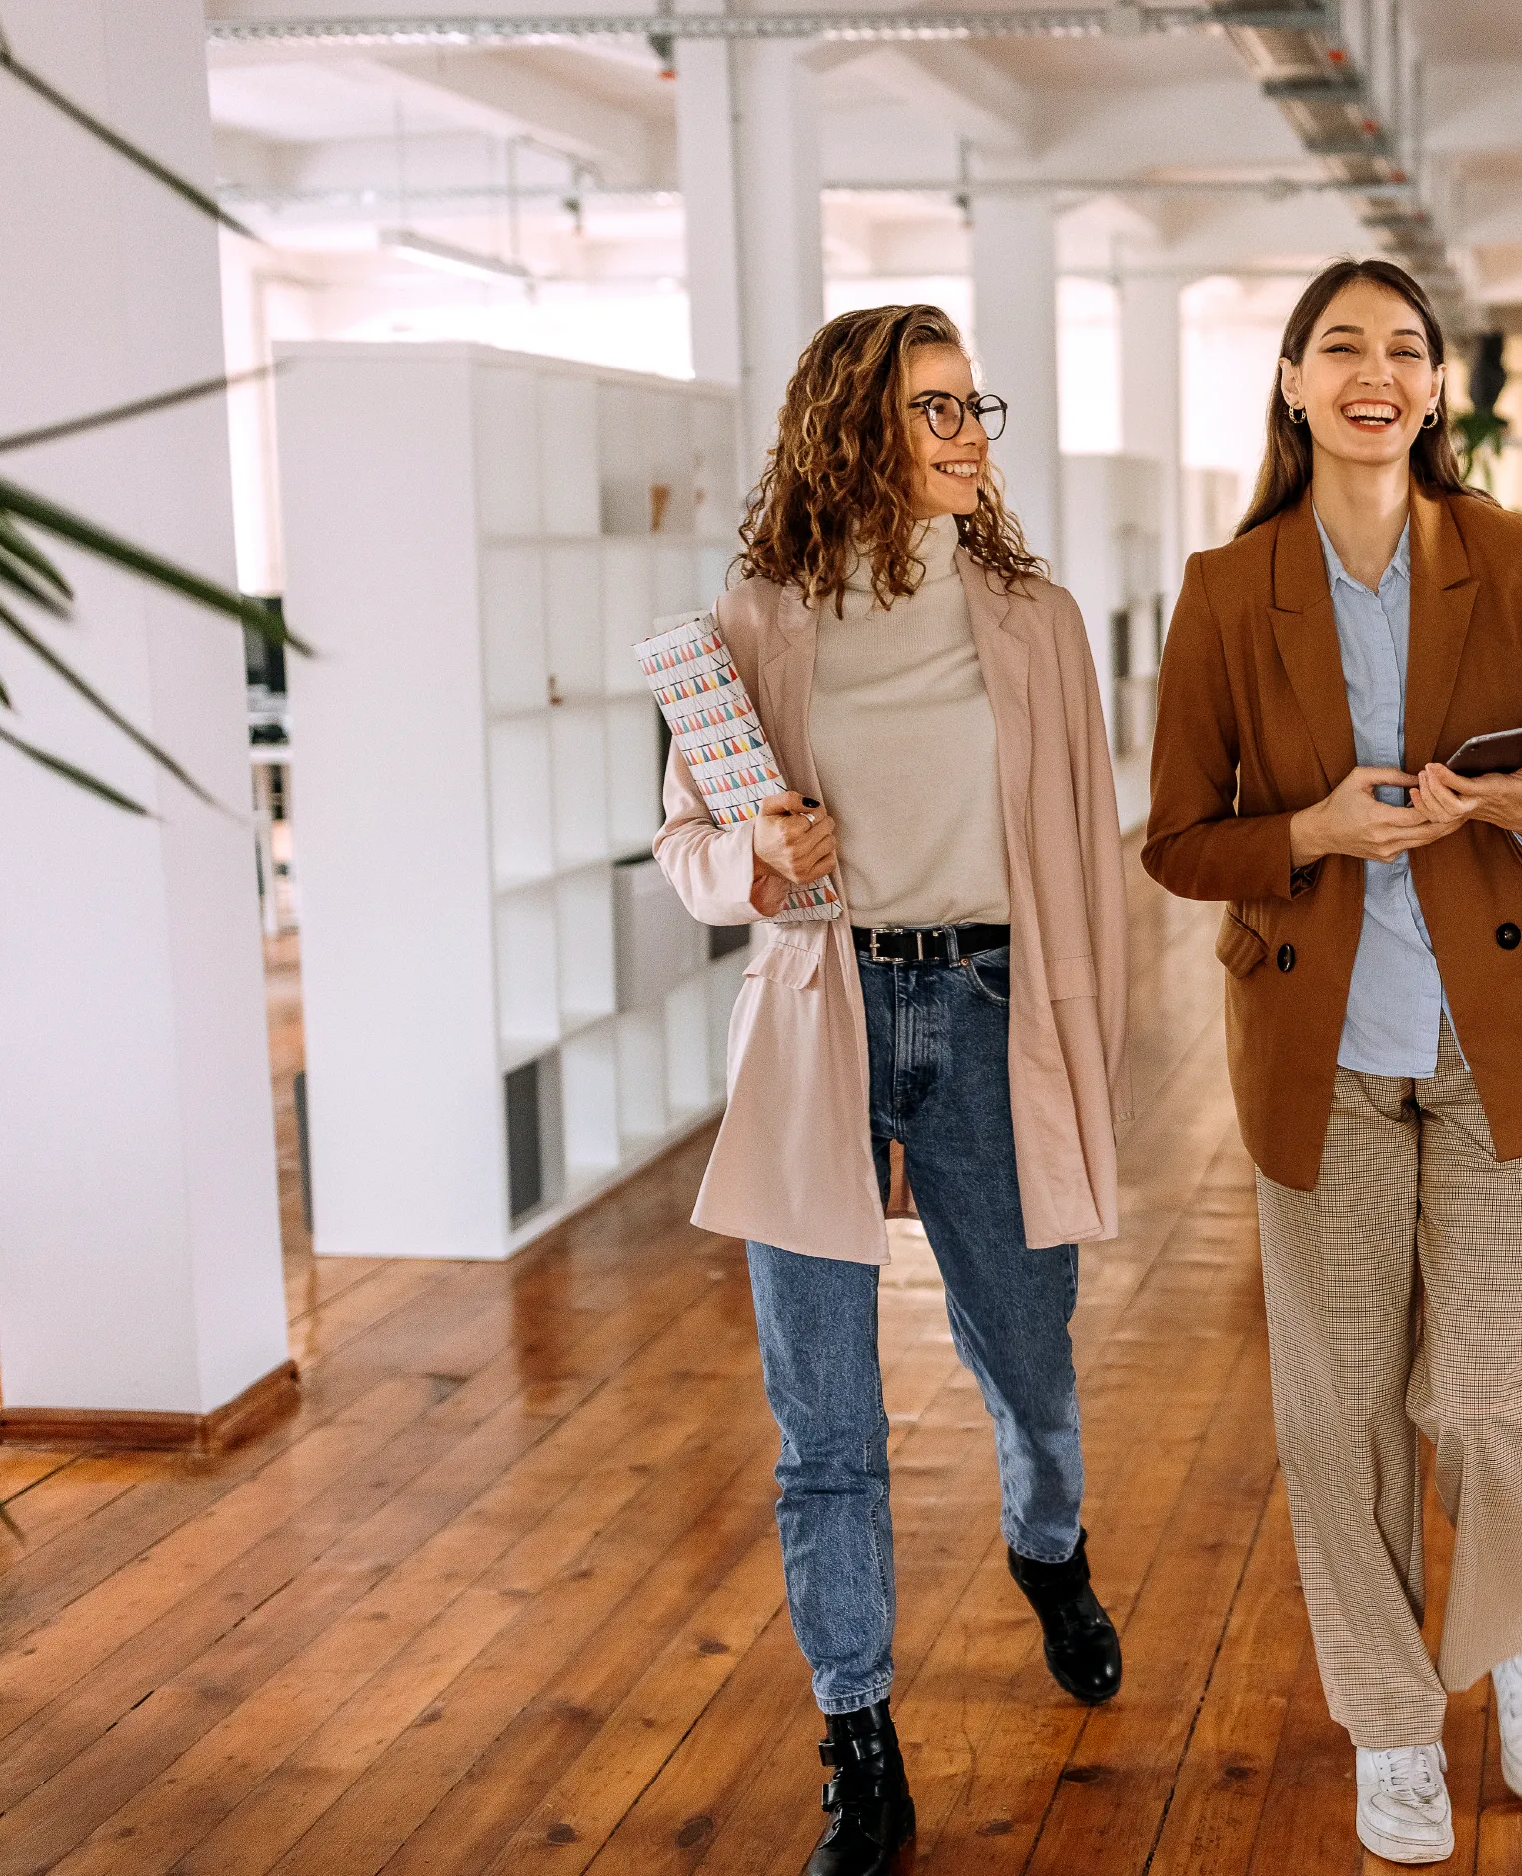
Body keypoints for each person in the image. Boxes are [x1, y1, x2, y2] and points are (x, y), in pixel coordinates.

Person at [1142, 257, 1522, 1866]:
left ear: (1437, 389)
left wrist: (1517, 808)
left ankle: (1518, 1642)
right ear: (1290, 383)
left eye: (1404, 350)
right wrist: (1314, 831)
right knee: (1337, 1405)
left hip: (1500, 1038)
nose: (1374, 373)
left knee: (1491, 1386)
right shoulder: (1228, 589)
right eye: (1339, 347)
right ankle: (1394, 1725)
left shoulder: (1520, 555)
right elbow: (1179, 843)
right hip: (1323, 1048)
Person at [653, 304, 1132, 1876]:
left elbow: (1080, 852)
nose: (970, 431)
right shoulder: (758, 616)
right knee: (824, 1424)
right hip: (822, 1015)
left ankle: (1048, 1550)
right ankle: (857, 1732)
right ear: (853, 427)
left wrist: (1094, 1039)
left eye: (973, 404)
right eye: (935, 409)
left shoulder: (1036, 618)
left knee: (1031, 1365)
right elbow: (690, 852)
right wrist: (755, 858)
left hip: (995, 1011)